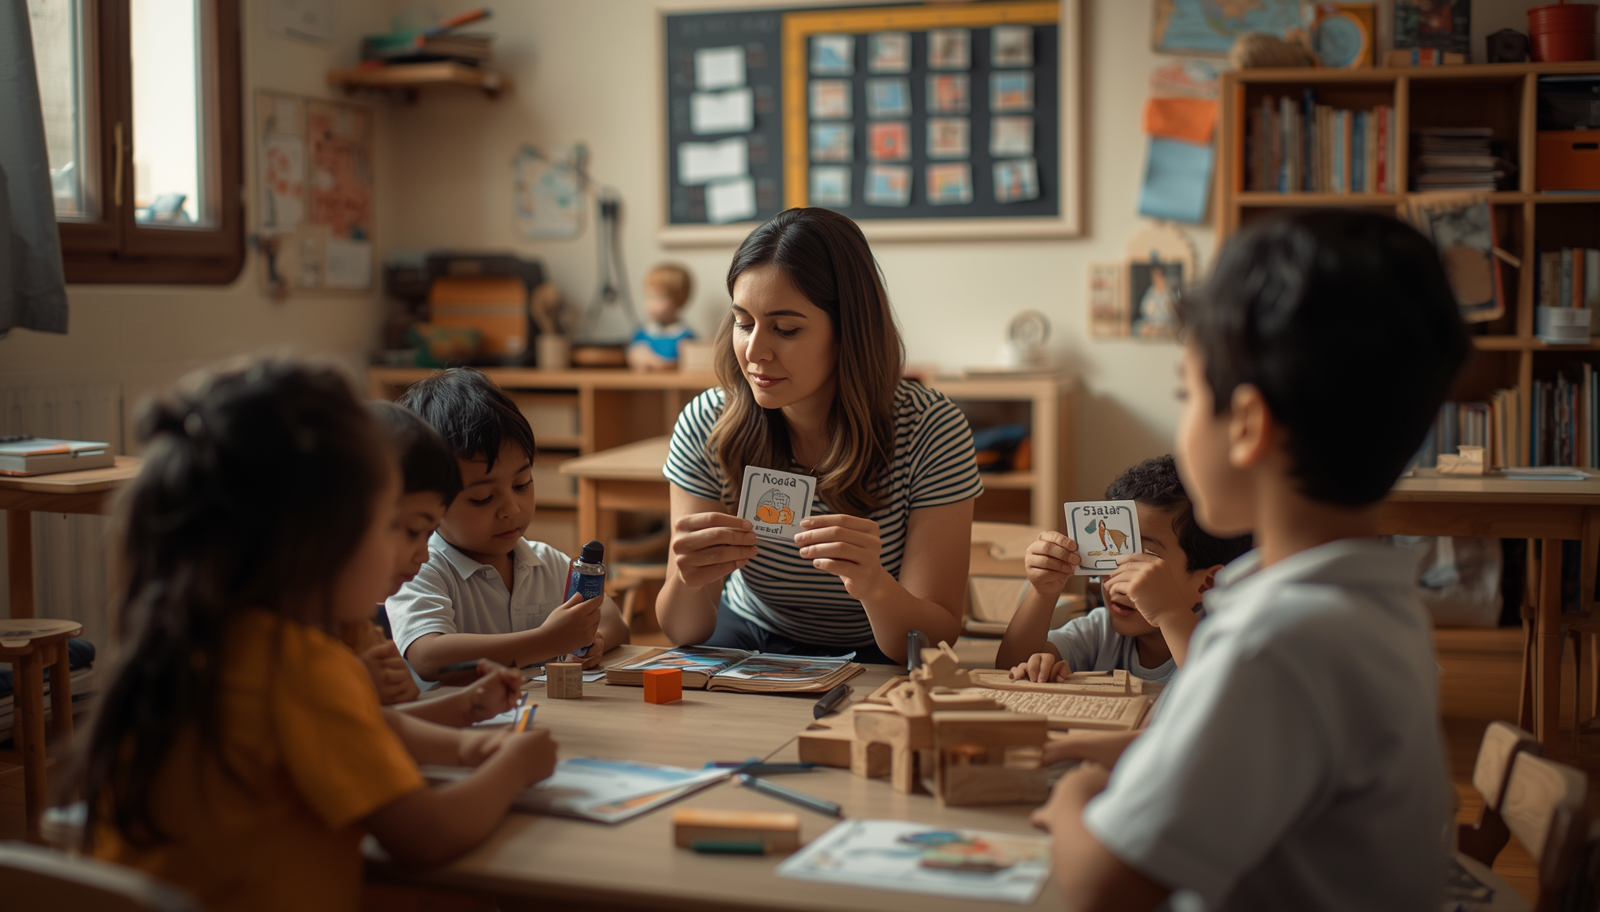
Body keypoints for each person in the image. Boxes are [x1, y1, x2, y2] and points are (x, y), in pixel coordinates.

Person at [1031, 209, 1468, 911]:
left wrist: (1074, 799)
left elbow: (1101, 887)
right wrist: (1146, 759)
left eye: (1185, 394)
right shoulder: (1369, 606)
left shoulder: (1273, 638)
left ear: (1246, 426)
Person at [72, 359, 559, 912]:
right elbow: (427, 835)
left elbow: (366, 728)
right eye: (392, 525)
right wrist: (512, 767)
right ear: (317, 536)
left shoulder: (204, 638)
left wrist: (470, 743)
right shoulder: (299, 666)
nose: (419, 553)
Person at [658, 207, 983, 665]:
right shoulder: (708, 422)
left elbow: (933, 638)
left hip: (879, 650)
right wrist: (689, 579)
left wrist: (874, 585)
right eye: (743, 322)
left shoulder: (931, 430)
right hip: (747, 637)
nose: (754, 352)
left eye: (786, 329)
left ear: (849, 329)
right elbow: (682, 630)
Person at [387, 368, 629, 680]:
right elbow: (428, 656)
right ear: (430, 502)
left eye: (522, 484)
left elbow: (612, 618)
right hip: (465, 725)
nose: (511, 509)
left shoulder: (544, 562)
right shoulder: (420, 567)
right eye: (483, 498)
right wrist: (546, 641)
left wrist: (595, 641)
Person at [996, 455, 1250, 685]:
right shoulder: (1100, 632)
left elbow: (1218, 690)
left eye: (1146, 558)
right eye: (1115, 552)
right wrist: (1043, 593)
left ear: (1206, 584)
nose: (1118, 575)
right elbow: (1008, 670)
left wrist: (1168, 613)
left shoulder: (1224, 640)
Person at [348, 400, 527, 726]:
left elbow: (391, 724)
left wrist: (469, 707)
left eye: (522, 484)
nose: (424, 552)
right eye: (415, 530)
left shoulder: (358, 629)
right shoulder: (297, 648)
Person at [627, 262, 696, 371]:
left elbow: (686, 365)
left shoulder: (685, 337)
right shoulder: (642, 333)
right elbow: (633, 356)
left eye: (658, 298)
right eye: (648, 296)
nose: (651, 304)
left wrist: (657, 363)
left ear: (678, 300)